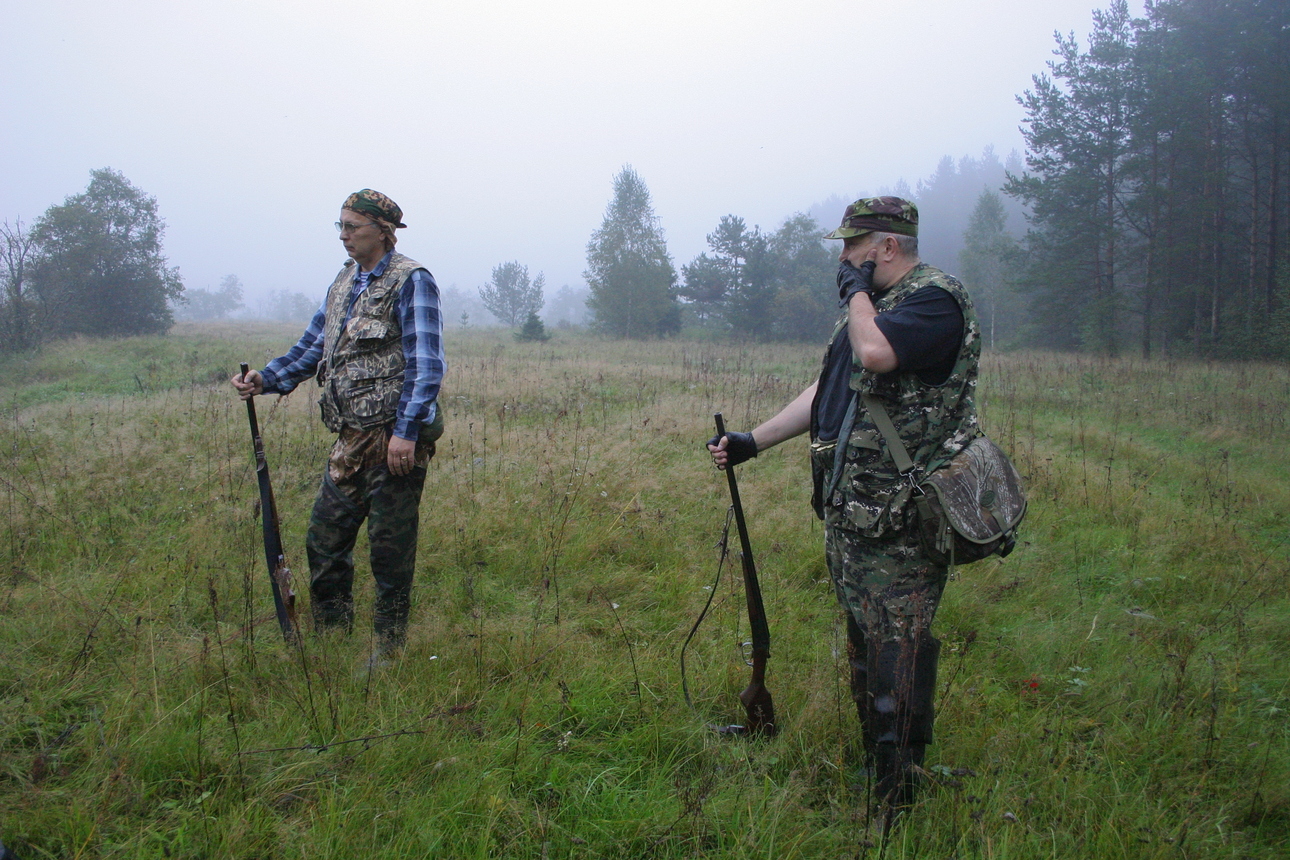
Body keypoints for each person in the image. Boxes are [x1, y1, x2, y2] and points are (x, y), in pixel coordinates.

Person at [708, 197, 981, 818]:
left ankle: (897, 796)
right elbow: (832, 384)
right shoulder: (875, 310)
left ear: (888, 246)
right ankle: (879, 766)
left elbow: (877, 355)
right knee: (867, 643)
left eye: (853, 247)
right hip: (856, 515)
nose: (843, 259)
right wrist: (754, 440)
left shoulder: (935, 300)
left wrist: (856, 296)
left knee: (899, 647)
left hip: (902, 519)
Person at [232, 189, 445, 665]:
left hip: (393, 440)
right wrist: (266, 378)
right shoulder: (345, 281)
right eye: (341, 226)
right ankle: (333, 638)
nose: (344, 235)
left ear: (383, 231)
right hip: (350, 441)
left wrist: (407, 433)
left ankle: (388, 649)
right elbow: (314, 347)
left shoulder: (412, 281)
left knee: (390, 552)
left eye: (354, 226)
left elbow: (426, 365)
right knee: (324, 539)